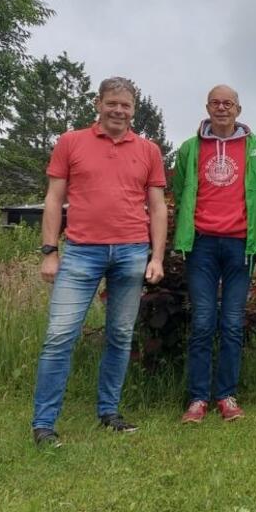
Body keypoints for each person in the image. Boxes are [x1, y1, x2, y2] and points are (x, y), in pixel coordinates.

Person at [30, 77, 166, 447]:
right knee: (60, 336)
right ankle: (44, 424)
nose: (118, 111)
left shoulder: (148, 150)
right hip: (80, 252)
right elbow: (54, 199)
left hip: (132, 251)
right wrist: (49, 251)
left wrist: (157, 256)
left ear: (133, 110)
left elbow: (156, 206)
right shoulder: (71, 142)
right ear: (98, 103)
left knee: (120, 336)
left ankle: (109, 412)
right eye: (112, 103)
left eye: (125, 105)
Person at [172, 85, 256, 424]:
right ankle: (198, 399)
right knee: (202, 322)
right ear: (207, 107)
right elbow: (180, 187)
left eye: (228, 103)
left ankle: (227, 397)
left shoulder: (255, 148)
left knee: (231, 324)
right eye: (216, 103)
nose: (222, 108)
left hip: (241, 245)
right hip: (201, 244)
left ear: (238, 109)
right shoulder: (189, 148)